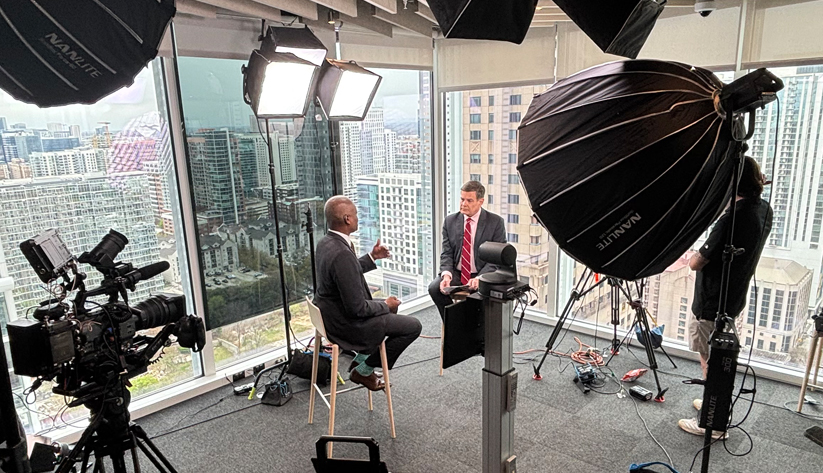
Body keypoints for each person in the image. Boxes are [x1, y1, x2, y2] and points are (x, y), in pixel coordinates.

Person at [678, 156, 773, 438]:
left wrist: (693, 254)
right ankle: (712, 402)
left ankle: (714, 421)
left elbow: (698, 262)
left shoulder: (732, 218)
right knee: (717, 356)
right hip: (733, 296)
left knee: (711, 359)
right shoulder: (763, 210)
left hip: (712, 300)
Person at [313, 195, 422, 391]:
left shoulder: (326, 243)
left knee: (390, 310)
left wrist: (373, 257)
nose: (357, 218)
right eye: (355, 215)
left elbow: (345, 274)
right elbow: (356, 308)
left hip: (329, 314)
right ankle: (363, 371)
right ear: (347, 219)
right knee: (412, 326)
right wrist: (385, 305)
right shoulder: (342, 253)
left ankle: (362, 362)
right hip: (344, 323)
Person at [428, 180, 506, 320]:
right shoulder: (450, 221)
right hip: (457, 273)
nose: (464, 204)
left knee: (484, 298)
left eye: (469, 200)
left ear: (480, 201)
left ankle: (475, 330)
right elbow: (447, 253)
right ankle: (453, 326)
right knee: (434, 288)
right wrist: (446, 275)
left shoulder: (495, 223)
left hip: (482, 273)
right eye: (462, 199)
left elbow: (496, 259)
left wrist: (480, 278)